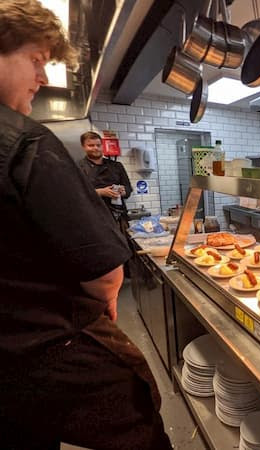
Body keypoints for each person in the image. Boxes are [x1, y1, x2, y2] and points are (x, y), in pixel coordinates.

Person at [0, 1, 172, 449]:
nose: (41, 77)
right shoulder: (25, 140)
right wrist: (108, 293)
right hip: (48, 345)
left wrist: (119, 194)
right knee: (137, 415)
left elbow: (127, 191)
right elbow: (100, 270)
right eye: (36, 61)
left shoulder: (109, 166)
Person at [78, 130, 132, 234]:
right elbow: (76, 193)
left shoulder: (116, 166)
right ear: (83, 147)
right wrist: (100, 192)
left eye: (98, 145)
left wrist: (124, 191)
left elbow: (128, 188)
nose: (95, 148)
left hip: (119, 217)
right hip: (93, 218)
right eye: (91, 145)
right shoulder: (78, 167)